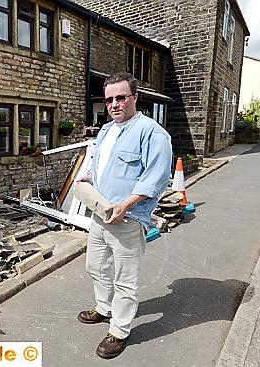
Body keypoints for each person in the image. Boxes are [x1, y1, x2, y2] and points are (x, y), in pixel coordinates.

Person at [77, 72, 172, 359]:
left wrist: (127, 205)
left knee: (125, 279)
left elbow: (155, 177)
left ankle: (119, 330)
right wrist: (87, 178)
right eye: (109, 100)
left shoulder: (152, 133)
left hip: (127, 219)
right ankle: (104, 308)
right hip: (100, 213)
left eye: (121, 97)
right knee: (95, 266)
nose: (114, 104)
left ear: (135, 98)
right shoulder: (106, 131)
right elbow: (100, 166)